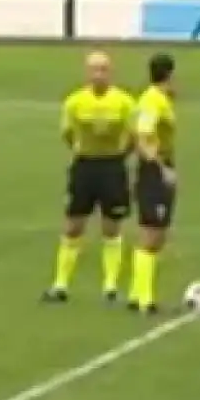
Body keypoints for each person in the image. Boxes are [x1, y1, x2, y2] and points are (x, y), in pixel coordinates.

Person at [43, 52, 136, 305]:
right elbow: (67, 134)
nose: (99, 74)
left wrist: (118, 156)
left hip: (112, 167)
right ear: (87, 73)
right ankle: (60, 284)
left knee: (111, 226)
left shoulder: (124, 102)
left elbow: (134, 135)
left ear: (111, 72)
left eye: (103, 69)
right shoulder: (75, 102)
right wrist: (83, 151)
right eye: (94, 69)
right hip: (84, 166)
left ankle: (110, 286)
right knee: (73, 224)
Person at [128, 52, 177, 315]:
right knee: (152, 233)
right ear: (170, 74)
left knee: (155, 234)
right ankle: (145, 299)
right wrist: (160, 168)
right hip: (153, 171)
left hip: (156, 168)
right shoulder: (153, 101)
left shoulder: (157, 99)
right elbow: (144, 135)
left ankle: (139, 294)